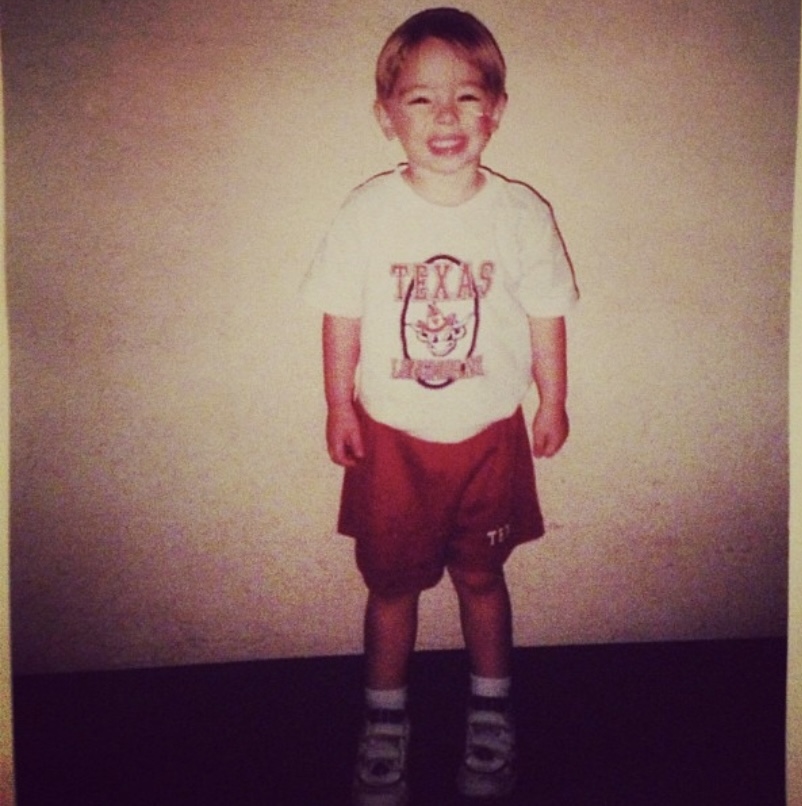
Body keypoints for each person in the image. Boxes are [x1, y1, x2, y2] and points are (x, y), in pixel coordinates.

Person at [301, 7, 578, 804]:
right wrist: (337, 403)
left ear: (495, 109)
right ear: (387, 116)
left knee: (482, 577)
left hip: (491, 435)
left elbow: (547, 311)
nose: (446, 115)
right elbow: (340, 311)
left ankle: (492, 713)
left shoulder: (521, 212)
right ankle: (384, 720)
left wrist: (551, 400)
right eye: (420, 99)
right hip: (392, 437)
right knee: (390, 587)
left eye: (466, 95)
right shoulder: (367, 212)